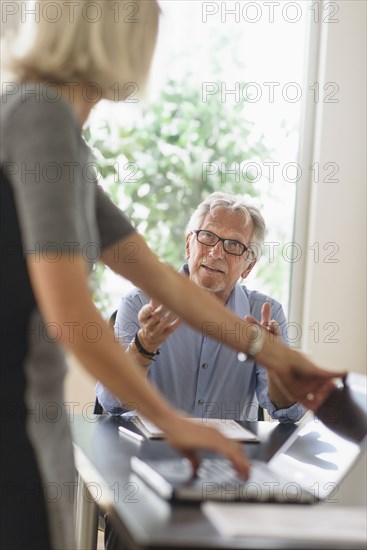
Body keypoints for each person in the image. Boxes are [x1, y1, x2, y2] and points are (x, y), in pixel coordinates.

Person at [0, 2, 343, 549]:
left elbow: (162, 279)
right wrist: (169, 418)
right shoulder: (39, 117)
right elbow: (70, 309)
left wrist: (279, 356)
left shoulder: (60, 140)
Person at [97, 192, 306, 423]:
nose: (216, 253)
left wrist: (275, 366)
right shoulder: (138, 303)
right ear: (188, 245)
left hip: (229, 454)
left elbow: (290, 413)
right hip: (153, 451)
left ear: (248, 266)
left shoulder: (266, 314)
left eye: (233, 245)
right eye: (207, 236)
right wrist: (144, 345)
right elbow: (111, 402)